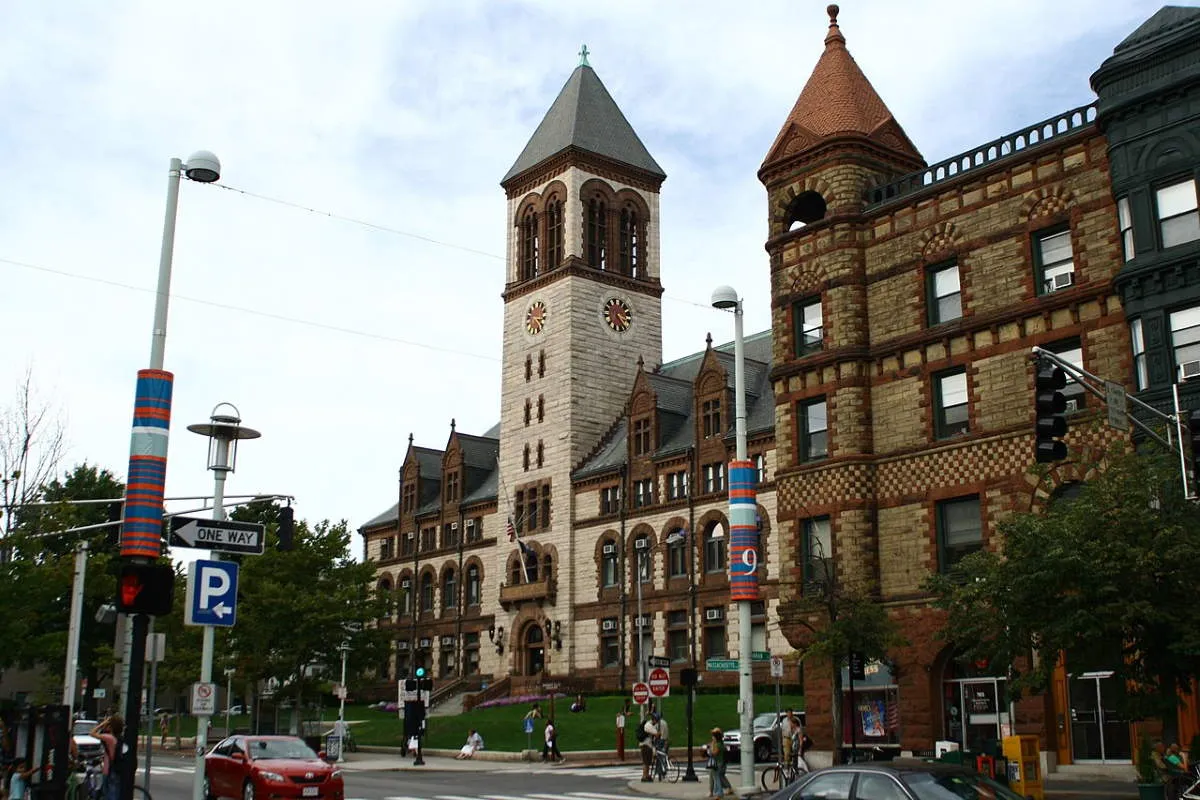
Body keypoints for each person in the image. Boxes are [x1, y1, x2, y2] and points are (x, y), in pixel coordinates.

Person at [91, 714, 126, 800]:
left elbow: (92, 733)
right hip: (116, 769)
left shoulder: (109, 738)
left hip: (110, 770)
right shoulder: (118, 738)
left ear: (111, 727)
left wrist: (103, 723)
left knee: (110, 795)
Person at [704, 728, 729, 800]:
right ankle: (716, 792)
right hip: (719, 763)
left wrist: (709, 751)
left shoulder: (718, 745)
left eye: (713, 736)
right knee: (716, 778)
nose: (712, 737)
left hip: (717, 764)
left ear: (716, 737)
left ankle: (719, 793)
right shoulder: (720, 744)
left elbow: (714, 753)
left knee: (717, 779)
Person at [639, 714, 659, 782]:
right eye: (656, 720)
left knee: (647, 762)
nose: (656, 722)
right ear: (653, 719)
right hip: (645, 745)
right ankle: (644, 776)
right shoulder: (648, 725)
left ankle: (647, 775)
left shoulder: (650, 725)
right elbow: (656, 733)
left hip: (648, 745)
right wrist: (658, 734)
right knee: (646, 762)